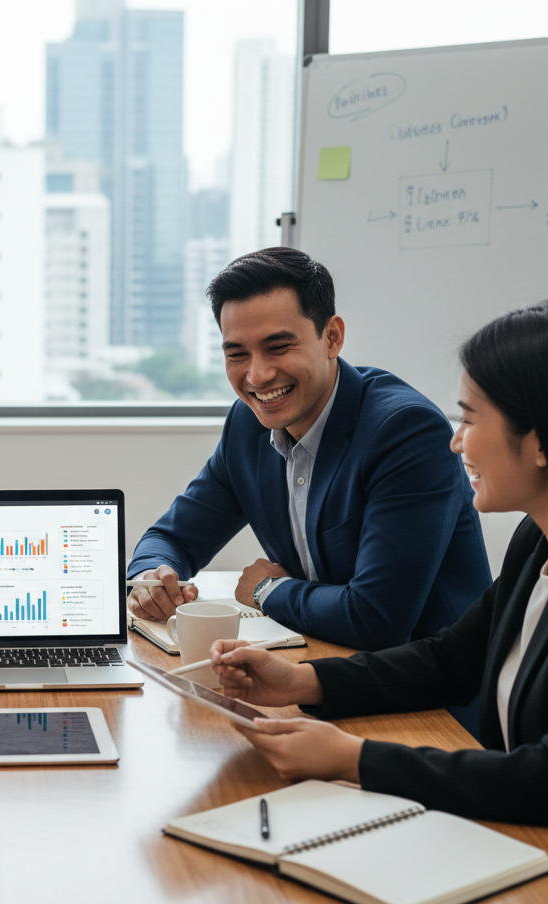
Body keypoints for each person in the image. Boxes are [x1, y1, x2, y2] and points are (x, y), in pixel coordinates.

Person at [210, 301, 548, 826]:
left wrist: (354, 758)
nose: (456, 440)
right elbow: (450, 659)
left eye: (469, 418)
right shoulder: (537, 540)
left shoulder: (399, 426)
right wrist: (300, 682)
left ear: (537, 441)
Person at [127, 247, 490, 652]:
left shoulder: (405, 431)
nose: (258, 374)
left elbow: (375, 619)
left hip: (428, 696)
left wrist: (266, 589)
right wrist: (149, 579)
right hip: (322, 659)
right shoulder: (247, 425)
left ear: (331, 337)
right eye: (237, 354)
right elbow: (171, 537)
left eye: (278, 347)